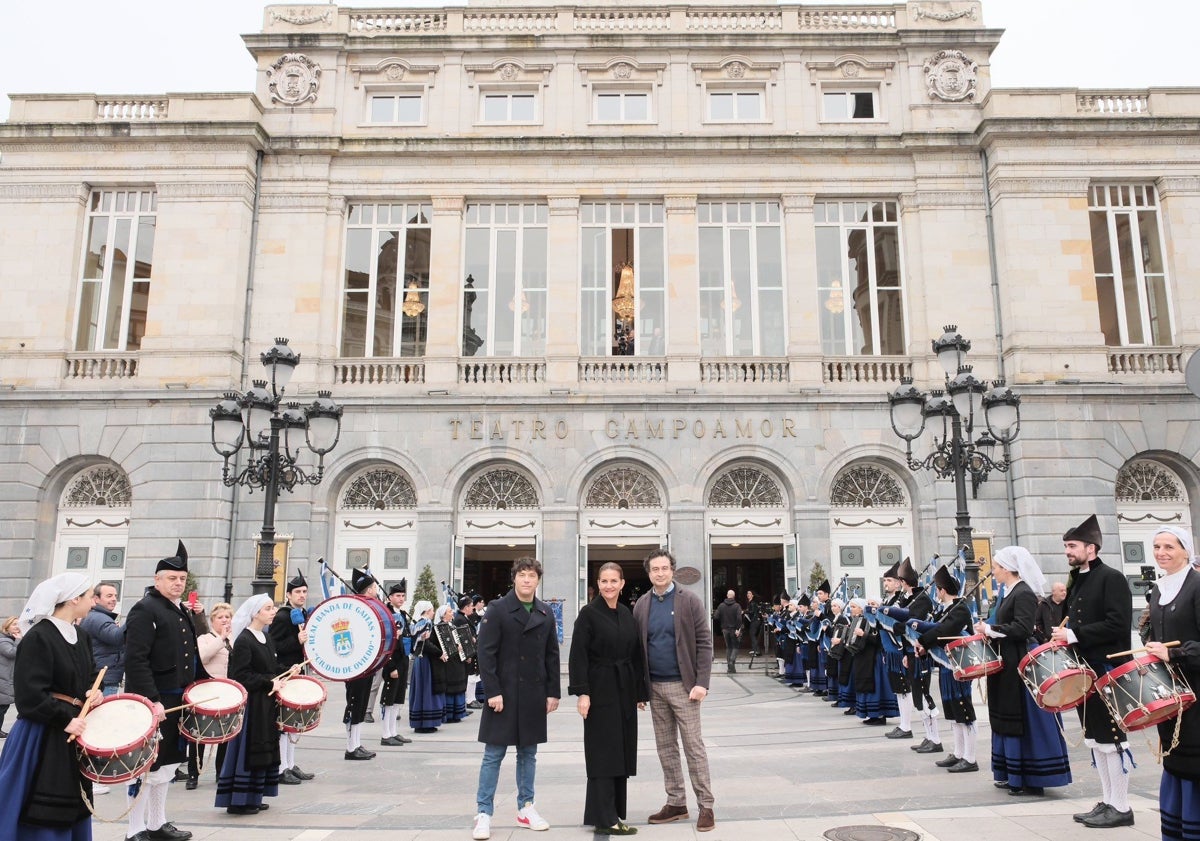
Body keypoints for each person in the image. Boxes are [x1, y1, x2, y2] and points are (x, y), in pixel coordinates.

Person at [1050, 514, 1135, 829]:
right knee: (1095, 739)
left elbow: (1116, 624)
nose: (1068, 551)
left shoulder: (1111, 577)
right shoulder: (1078, 578)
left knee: (1112, 738)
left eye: (1072, 546)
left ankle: (1122, 805)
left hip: (1106, 668)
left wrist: (1073, 635)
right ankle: (1108, 800)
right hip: (1084, 670)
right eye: (1066, 546)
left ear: (1091, 547)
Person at [0, 573, 99, 841]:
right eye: (90, 596)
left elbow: (88, 677)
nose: (93, 603)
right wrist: (65, 719)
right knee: (43, 799)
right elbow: (29, 695)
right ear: (73, 599)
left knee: (73, 798)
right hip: (42, 732)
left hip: (73, 729)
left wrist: (93, 693)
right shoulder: (38, 637)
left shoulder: (81, 635)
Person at [123, 541, 208, 841]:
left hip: (177, 699)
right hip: (152, 700)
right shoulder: (145, 609)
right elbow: (135, 659)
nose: (178, 583)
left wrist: (207, 685)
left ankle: (157, 823)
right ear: (157, 579)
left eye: (182, 578)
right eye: (172, 578)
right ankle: (135, 829)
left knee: (168, 763)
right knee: (143, 766)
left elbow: (191, 654)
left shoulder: (180, 610)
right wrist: (151, 700)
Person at [472, 557, 561, 841]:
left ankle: (526, 807)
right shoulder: (497, 610)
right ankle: (483, 812)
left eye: (531, 576)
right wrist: (492, 691)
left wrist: (553, 691)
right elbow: (485, 654)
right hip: (504, 694)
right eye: (522, 575)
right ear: (514, 578)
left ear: (538, 579)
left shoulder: (545, 612)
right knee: (493, 755)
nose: (526, 580)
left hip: (534, 693)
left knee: (528, 754)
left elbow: (551, 655)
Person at [974, 546, 1072, 796]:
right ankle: (1010, 772)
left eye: (995, 567)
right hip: (1007, 660)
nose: (993, 571)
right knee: (1004, 712)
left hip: (1020, 662)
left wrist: (990, 630)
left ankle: (1027, 774)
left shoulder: (1024, 593)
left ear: (1007, 568)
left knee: (1020, 715)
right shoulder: (1008, 592)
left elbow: (1022, 628)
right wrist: (988, 629)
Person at [633, 548, 715, 833]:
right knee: (666, 748)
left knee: (694, 747)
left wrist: (701, 682)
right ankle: (676, 802)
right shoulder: (641, 605)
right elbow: (637, 650)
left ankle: (706, 805)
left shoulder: (689, 600)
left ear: (672, 570)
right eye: (654, 569)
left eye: (664, 568)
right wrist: (639, 691)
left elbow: (705, 642)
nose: (659, 573)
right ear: (649, 572)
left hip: (685, 687)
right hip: (654, 687)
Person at [569, 562, 648, 835]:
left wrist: (639, 693)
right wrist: (583, 692)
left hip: (624, 691)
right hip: (599, 690)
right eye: (604, 581)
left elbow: (636, 655)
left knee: (620, 751)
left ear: (622, 583)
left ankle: (610, 812)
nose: (609, 586)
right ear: (597, 584)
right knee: (603, 753)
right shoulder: (588, 614)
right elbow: (578, 656)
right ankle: (606, 818)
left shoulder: (627, 614)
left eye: (614, 581)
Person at [215, 594, 299, 815]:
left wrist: (289, 670)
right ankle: (240, 799)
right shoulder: (244, 640)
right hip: (252, 704)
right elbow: (241, 675)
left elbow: (270, 666)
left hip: (266, 701)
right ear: (255, 613)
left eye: (272, 608)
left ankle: (256, 794)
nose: (273, 612)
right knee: (249, 749)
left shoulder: (265, 637)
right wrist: (268, 681)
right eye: (268, 608)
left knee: (265, 746)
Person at [1142, 526, 1200, 841]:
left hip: (1197, 690)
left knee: (1193, 761)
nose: (1162, 552)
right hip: (1172, 694)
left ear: (1186, 550)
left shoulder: (1197, 586)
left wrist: (1174, 652)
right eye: (1156, 546)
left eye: (1169, 546)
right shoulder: (1158, 589)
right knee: (1174, 758)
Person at [914, 565, 977, 773]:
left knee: (964, 710)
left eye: (937, 589)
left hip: (959, 666)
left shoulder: (960, 609)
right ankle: (958, 753)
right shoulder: (946, 610)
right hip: (947, 666)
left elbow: (943, 631)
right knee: (952, 710)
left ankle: (970, 757)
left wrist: (922, 640)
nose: (936, 594)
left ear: (942, 590)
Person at [268, 570, 314, 782]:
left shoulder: (302, 615)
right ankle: (281, 768)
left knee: (296, 721)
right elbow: (274, 646)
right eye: (297, 592)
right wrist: (297, 640)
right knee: (284, 722)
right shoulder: (283, 616)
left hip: (298, 671)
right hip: (284, 672)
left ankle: (291, 763)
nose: (302, 595)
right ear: (288, 594)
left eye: (304, 591)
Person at [187, 602, 234, 789]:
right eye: (220, 617)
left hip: (227, 691)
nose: (224, 620)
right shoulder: (205, 638)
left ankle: (221, 772)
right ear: (212, 620)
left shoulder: (235, 640)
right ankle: (193, 774)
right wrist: (220, 639)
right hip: (207, 690)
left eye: (227, 617)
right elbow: (203, 656)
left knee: (225, 734)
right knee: (199, 734)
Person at [342, 567, 380, 761]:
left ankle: (356, 743)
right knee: (354, 704)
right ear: (368, 589)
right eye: (373, 587)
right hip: (355, 665)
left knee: (361, 704)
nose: (376, 590)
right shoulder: (356, 608)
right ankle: (350, 747)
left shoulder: (370, 606)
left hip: (366, 665)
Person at [379, 581, 413, 747]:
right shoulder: (387, 614)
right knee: (389, 698)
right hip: (393, 660)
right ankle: (386, 734)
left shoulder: (403, 614)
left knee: (398, 698)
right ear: (390, 597)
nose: (400, 598)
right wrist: (390, 665)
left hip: (403, 658)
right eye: (397, 596)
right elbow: (386, 642)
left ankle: (393, 731)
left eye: (402, 596)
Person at [79, 583, 124, 698]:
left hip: (104, 678)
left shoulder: (97, 616)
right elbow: (117, 637)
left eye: (115, 596)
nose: (114, 599)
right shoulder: (98, 618)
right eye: (109, 596)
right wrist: (136, 615)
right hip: (105, 680)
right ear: (96, 599)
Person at [407, 601, 442, 733]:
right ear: (427, 611)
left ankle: (420, 721)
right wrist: (439, 653)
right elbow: (425, 644)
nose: (434, 612)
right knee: (425, 689)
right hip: (424, 660)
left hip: (418, 659)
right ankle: (426, 723)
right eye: (432, 610)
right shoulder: (426, 623)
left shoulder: (416, 624)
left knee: (419, 690)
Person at [433, 603, 469, 724]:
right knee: (451, 687)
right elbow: (444, 646)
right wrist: (456, 648)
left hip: (457, 660)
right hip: (449, 662)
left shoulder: (451, 626)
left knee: (459, 686)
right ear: (443, 615)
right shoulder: (441, 627)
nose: (452, 613)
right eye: (449, 611)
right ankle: (450, 714)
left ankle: (457, 713)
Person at [714, 590, 742, 674]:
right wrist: (738, 628)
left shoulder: (721, 606)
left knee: (728, 647)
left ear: (727, 595)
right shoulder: (737, 606)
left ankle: (730, 668)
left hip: (725, 629)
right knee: (735, 647)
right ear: (734, 596)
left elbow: (716, 616)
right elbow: (739, 618)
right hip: (734, 629)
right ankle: (731, 662)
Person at [0, 615, 18, 738]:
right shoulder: (3, 641)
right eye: (14, 624)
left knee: (3, 707)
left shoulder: (12, 640)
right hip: (3, 680)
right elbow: (12, 653)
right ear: (7, 627)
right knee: (1, 707)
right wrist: (19, 640)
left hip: (7, 679)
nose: (17, 627)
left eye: (18, 624)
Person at [743, 590, 764, 657]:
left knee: (752, 635)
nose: (748, 594)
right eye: (747, 593)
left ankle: (757, 650)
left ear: (752, 595)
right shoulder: (750, 602)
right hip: (754, 621)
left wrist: (744, 612)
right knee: (753, 635)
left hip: (755, 621)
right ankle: (755, 649)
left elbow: (752, 611)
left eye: (749, 593)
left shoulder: (753, 603)